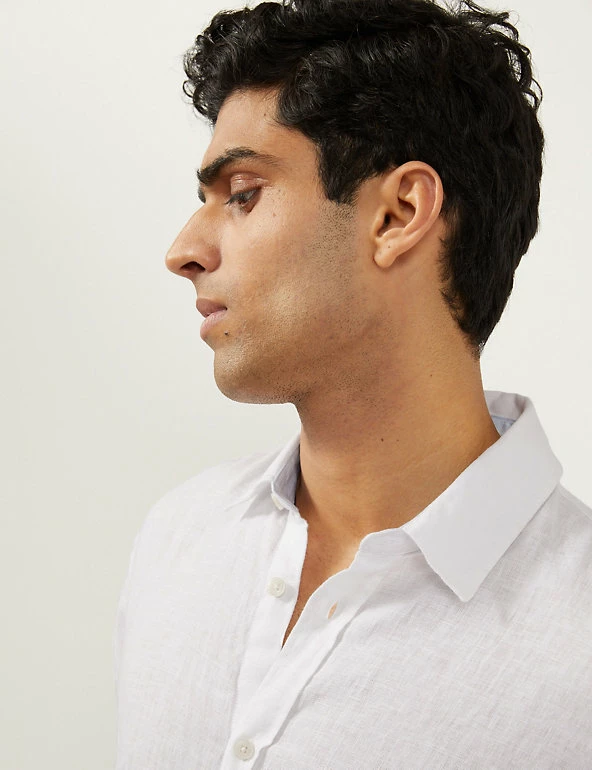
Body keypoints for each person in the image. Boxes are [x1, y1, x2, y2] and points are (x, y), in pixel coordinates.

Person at [114, 0, 592, 767]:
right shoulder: (179, 541)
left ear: (399, 213)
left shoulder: (575, 648)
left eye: (243, 192)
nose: (183, 250)